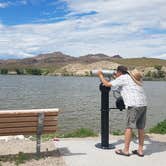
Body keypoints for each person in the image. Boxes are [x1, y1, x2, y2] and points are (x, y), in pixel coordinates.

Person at [97, 66, 147, 157]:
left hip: (133, 105)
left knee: (129, 127)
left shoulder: (123, 78)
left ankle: (126, 151)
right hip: (143, 104)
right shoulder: (132, 78)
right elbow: (122, 85)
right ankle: (140, 151)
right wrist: (116, 78)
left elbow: (107, 84)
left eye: (116, 72)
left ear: (119, 72)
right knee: (141, 127)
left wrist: (100, 75)